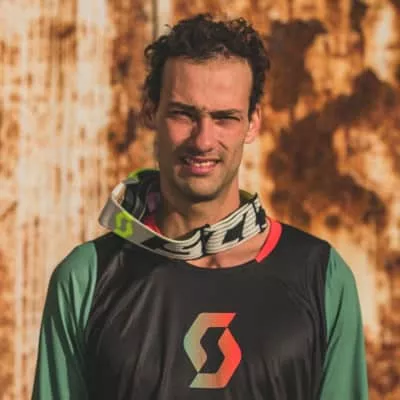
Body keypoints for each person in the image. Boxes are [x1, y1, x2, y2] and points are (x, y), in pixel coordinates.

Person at [32, 13, 368, 400]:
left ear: (252, 123)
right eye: (183, 114)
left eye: (225, 118)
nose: (203, 140)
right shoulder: (86, 278)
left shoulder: (322, 277)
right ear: (150, 111)